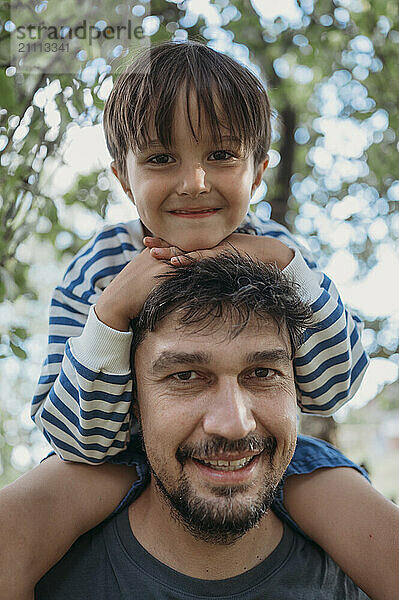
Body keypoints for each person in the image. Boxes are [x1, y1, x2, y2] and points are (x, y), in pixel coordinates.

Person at [1, 40, 389, 598]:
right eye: (161, 159)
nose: (195, 182)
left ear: (257, 172)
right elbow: (73, 438)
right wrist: (112, 312)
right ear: (123, 176)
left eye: (222, 156)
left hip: (270, 452)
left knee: (374, 529)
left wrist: (286, 266)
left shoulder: (280, 254)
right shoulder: (99, 270)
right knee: (16, 523)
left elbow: (333, 389)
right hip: (114, 456)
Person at [34, 254, 393, 598]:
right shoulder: (44, 574)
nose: (233, 425)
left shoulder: (362, 567)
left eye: (263, 373)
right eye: (185, 375)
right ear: (134, 402)